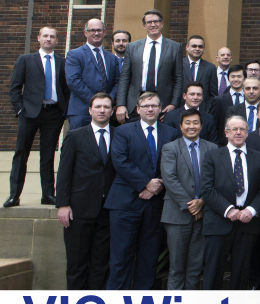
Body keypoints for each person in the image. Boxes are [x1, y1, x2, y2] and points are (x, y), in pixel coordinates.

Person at [104, 92, 180, 290]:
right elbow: (120, 161)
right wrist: (146, 183)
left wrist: (158, 185)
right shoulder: (123, 132)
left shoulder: (170, 133)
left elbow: (175, 165)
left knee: (148, 259)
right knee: (120, 258)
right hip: (125, 204)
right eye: (146, 106)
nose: (150, 109)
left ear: (160, 109)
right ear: (138, 109)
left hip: (155, 205)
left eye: (154, 105)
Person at [56, 93, 117, 290]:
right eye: (98, 107)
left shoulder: (120, 135)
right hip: (79, 209)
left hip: (108, 210)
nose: (102, 110)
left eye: (106, 107)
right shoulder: (74, 136)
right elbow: (64, 172)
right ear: (89, 110)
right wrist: (63, 204)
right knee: (77, 264)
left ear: (112, 110)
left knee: (101, 265)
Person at [5, 26, 70, 208]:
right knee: (21, 154)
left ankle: (48, 195)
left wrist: (63, 111)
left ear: (57, 40)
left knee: (48, 155)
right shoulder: (25, 59)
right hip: (29, 113)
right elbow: (15, 88)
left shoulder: (62, 62)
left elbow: (66, 89)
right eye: (45, 36)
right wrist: (20, 110)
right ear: (39, 39)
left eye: (52, 37)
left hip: (53, 114)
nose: (48, 39)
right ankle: (14, 195)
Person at [200, 115, 260, 290]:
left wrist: (251, 210)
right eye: (234, 129)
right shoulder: (212, 156)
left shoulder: (258, 157)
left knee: (242, 274)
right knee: (213, 273)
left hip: (247, 223)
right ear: (226, 133)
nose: (238, 132)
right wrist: (228, 209)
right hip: (218, 222)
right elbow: (206, 189)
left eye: (242, 129)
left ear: (247, 133)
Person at [160, 109, 216, 290]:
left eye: (195, 123)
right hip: (177, 215)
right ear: (180, 126)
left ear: (201, 125)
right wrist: (191, 205)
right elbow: (169, 179)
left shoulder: (212, 149)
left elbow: (215, 179)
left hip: (203, 215)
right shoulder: (170, 148)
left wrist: (202, 202)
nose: (192, 126)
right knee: (176, 267)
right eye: (188, 123)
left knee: (194, 267)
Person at [116, 9, 183, 124]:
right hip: (135, 104)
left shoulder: (174, 47)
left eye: (156, 21)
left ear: (162, 23)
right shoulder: (132, 47)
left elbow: (178, 78)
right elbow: (125, 77)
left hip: (163, 105)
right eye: (149, 22)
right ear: (144, 26)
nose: (153, 24)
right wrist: (121, 104)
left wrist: (174, 104)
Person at [66, 19, 120, 129]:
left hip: (105, 113)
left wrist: (108, 101)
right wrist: (95, 102)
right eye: (92, 30)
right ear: (85, 33)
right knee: (79, 145)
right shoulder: (74, 54)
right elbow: (73, 81)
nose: (96, 33)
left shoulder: (112, 58)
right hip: (82, 111)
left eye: (99, 30)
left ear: (104, 32)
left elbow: (118, 82)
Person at [210, 64, 246, 139]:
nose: (236, 79)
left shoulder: (249, 99)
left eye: (239, 76)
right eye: (232, 76)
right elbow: (214, 125)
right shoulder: (219, 100)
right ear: (228, 78)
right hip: (224, 143)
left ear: (244, 78)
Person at [224, 76, 260, 143]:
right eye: (248, 88)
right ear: (243, 90)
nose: (251, 91)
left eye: (255, 88)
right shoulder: (233, 110)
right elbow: (229, 133)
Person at [180, 35, 217, 100]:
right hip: (181, 107)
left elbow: (213, 94)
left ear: (204, 49)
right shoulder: (178, 65)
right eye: (194, 46)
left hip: (203, 108)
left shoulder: (210, 68)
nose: (197, 49)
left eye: (200, 47)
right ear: (187, 47)